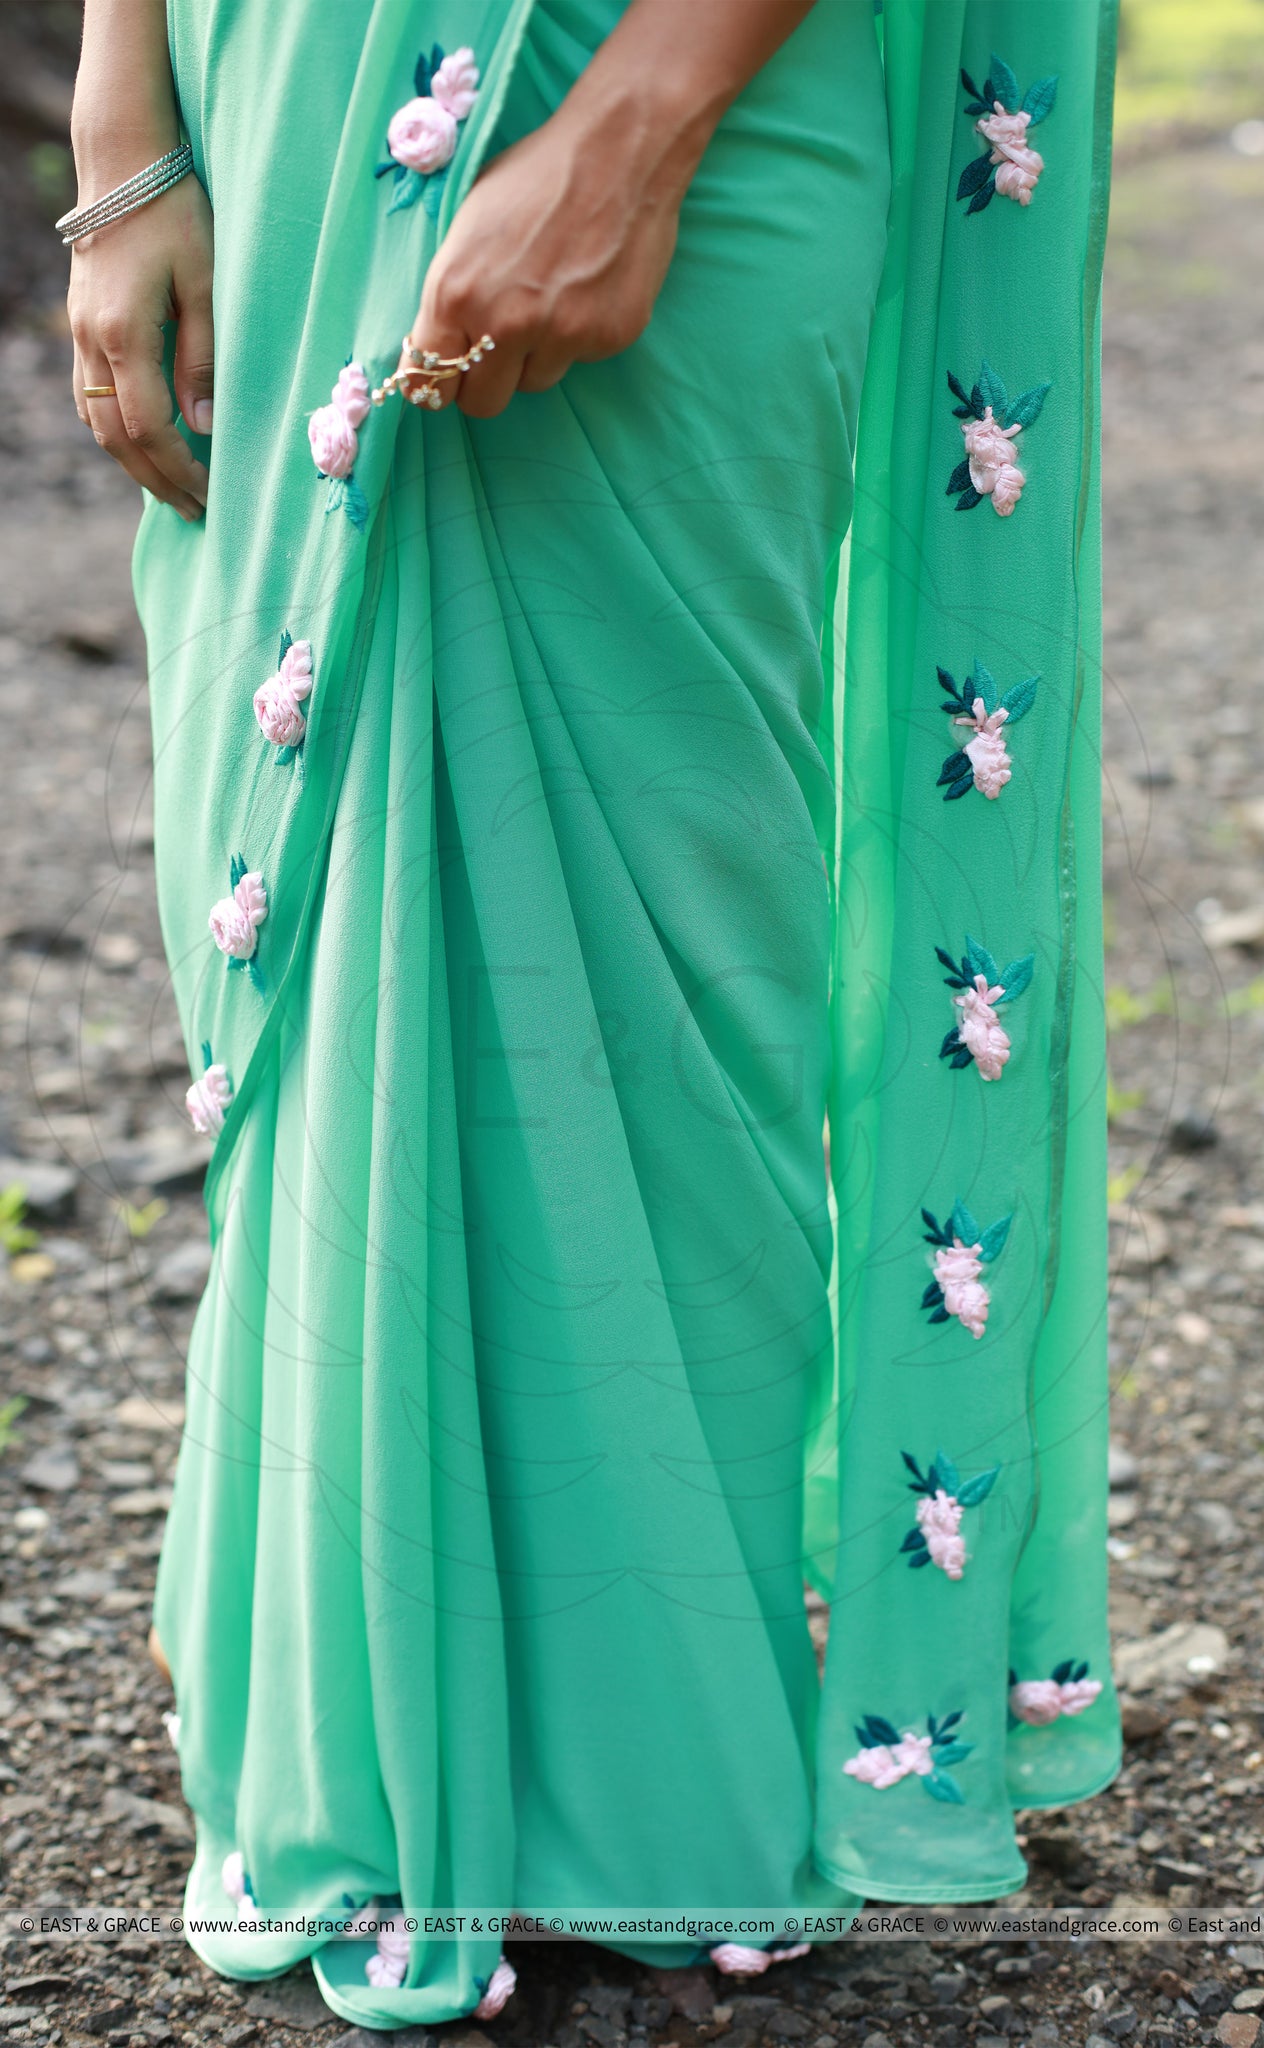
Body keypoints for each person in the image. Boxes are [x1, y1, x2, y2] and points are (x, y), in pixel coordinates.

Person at [65, 0, 1121, 2026]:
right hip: (271, 86)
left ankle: (646, 1734)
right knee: (311, 866)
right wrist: (125, 123)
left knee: (664, 951)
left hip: (672, 85)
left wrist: (644, 117)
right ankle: (351, 1717)